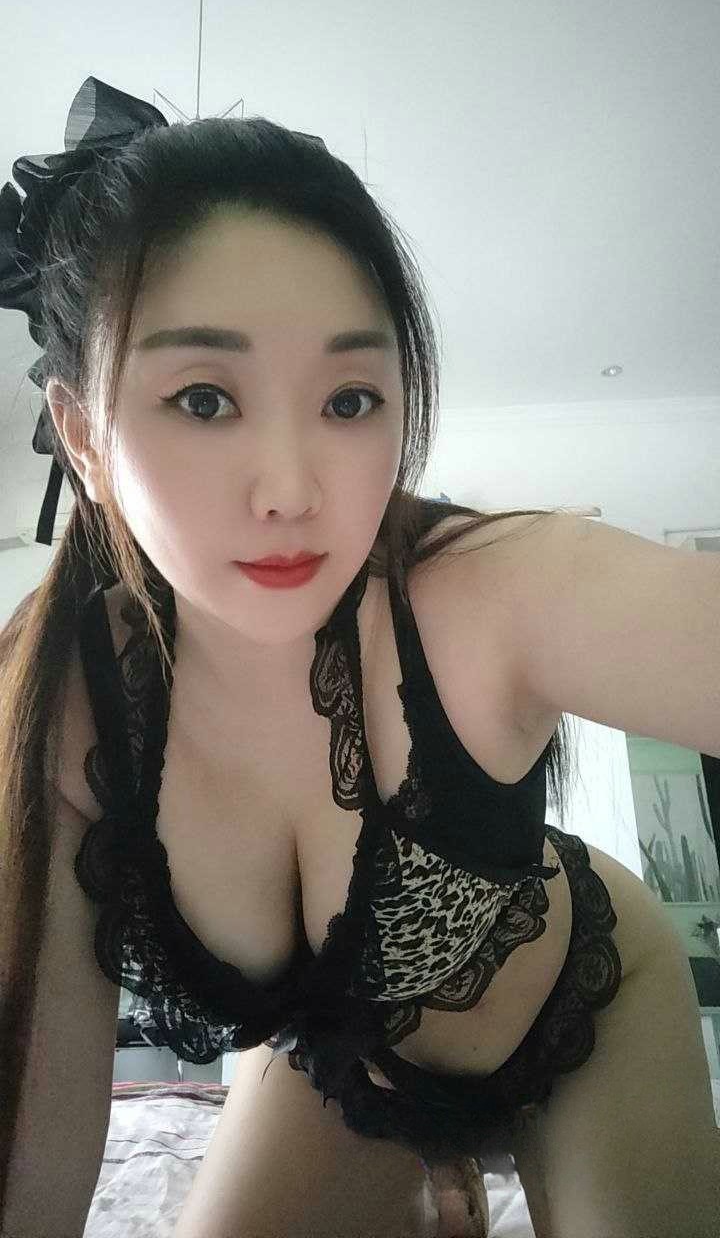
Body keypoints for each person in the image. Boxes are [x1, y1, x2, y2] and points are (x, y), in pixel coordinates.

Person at [1, 78, 717, 1238]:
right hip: (339, 1067)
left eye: (349, 398)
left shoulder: (490, 593)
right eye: (203, 397)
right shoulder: (62, 705)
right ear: (83, 434)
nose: (293, 489)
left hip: (586, 1003)